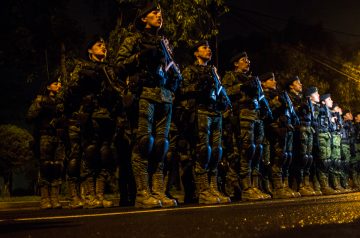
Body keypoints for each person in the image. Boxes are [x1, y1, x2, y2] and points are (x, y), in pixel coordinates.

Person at [115, 3, 181, 208]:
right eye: (154, 13)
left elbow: (172, 69)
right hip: (143, 94)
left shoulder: (164, 43)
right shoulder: (133, 39)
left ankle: (158, 191)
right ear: (143, 18)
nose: (158, 16)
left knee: (162, 145)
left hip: (164, 96)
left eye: (160, 13)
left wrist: (173, 84)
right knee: (145, 143)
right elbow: (118, 66)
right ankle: (143, 193)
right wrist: (139, 57)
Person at [65, 36, 115, 208]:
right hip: (90, 115)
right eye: (98, 45)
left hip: (107, 115)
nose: (103, 47)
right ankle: (89, 194)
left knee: (105, 154)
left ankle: (100, 195)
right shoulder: (82, 66)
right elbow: (70, 89)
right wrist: (82, 78)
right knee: (90, 154)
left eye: (104, 45)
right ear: (90, 50)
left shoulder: (110, 68)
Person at [181, 40, 231, 204]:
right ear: (196, 53)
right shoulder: (190, 70)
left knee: (216, 152)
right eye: (204, 48)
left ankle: (213, 188)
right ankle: (203, 191)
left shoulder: (213, 71)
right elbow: (182, 91)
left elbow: (221, 91)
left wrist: (225, 102)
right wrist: (198, 86)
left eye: (209, 48)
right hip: (200, 111)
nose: (208, 50)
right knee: (204, 152)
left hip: (215, 112)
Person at [222, 52, 270, 201]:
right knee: (245, 151)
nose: (248, 62)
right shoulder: (230, 76)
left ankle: (253, 186)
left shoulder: (252, 79)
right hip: (241, 115)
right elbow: (224, 93)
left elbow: (261, 98)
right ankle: (241, 187)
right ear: (236, 63)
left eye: (248, 59)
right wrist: (241, 86)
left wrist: (265, 108)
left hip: (255, 116)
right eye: (244, 60)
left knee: (256, 151)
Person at [27, 79, 65, 209]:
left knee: (57, 166)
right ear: (48, 87)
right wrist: (39, 106)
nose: (59, 85)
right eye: (55, 84)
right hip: (44, 136)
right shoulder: (41, 100)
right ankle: (45, 198)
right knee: (45, 166)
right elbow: (30, 117)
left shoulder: (62, 101)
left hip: (58, 137)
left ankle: (55, 197)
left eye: (59, 84)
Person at [260, 72, 296, 199]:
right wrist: (276, 102)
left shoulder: (277, 94)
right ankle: (277, 187)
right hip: (271, 130)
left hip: (281, 129)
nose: (274, 82)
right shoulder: (262, 95)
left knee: (284, 157)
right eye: (271, 80)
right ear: (263, 83)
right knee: (276, 159)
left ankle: (283, 185)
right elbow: (265, 113)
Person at [287, 79, 316, 197]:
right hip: (299, 129)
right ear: (291, 86)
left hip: (307, 128)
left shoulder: (303, 98)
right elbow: (293, 112)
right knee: (301, 157)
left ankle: (306, 184)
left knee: (308, 158)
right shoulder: (288, 97)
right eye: (297, 82)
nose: (301, 84)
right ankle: (298, 184)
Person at [314, 93, 337, 195]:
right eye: (329, 99)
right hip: (321, 136)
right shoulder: (319, 109)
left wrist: (332, 121)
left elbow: (331, 127)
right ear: (323, 102)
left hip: (326, 136)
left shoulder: (327, 112)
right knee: (323, 161)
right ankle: (323, 185)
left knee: (327, 161)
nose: (331, 101)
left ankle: (325, 185)